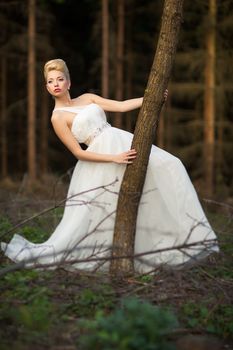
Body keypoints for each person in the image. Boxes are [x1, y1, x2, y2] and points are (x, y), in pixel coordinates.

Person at [1, 59, 219, 272]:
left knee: (171, 165)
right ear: (47, 87)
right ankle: (121, 255)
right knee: (111, 207)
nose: (55, 84)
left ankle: (192, 236)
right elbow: (78, 152)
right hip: (101, 158)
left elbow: (121, 106)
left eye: (60, 79)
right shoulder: (57, 117)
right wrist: (113, 158)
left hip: (119, 139)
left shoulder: (87, 98)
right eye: (50, 81)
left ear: (69, 82)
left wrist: (151, 98)